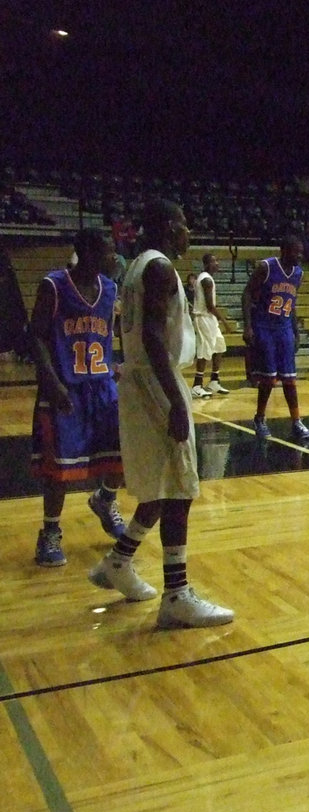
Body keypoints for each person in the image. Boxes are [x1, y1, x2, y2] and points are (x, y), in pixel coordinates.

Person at [88, 200, 234, 627]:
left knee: (160, 484)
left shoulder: (137, 265)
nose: (189, 232)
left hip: (140, 379)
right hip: (157, 380)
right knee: (180, 489)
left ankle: (118, 562)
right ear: (170, 226)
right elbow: (152, 336)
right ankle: (177, 595)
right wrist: (174, 401)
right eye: (185, 224)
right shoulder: (160, 268)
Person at [29, 228, 126, 567]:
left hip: (101, 386)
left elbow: (111, 333)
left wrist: (118, 364)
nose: (114, 256)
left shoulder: (110, 288)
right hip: (65, 388)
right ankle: (50, 532)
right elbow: (36, 336)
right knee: (59, 470)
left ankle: (105, 499)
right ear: (86, 252)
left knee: (121, 455)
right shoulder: (54, 286)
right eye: (108, 250)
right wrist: (51, 381)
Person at [242, 236, 309, 441]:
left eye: (301, 252)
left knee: (290, 378)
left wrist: (296, 332)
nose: (299, 256)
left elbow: (292, 304)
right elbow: (246, 294)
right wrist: (248, 326)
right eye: (295, 252)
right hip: (264, 326)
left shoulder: (298, 274)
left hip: (284, 328)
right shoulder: (266, 267)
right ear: (284, 250)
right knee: (268, 378)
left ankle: (297, 421)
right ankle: (260, 418)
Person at [191, 253, 232, 398]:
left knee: (219, 346)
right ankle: (197, 385)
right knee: (205, 350)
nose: (217, 263)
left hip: (209, 318)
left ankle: (214, 381)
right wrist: (225, 322)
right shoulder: (206, 280)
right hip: (203, 318)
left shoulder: (207, 278)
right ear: (207, 264)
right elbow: (210, 306)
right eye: (214, 261)